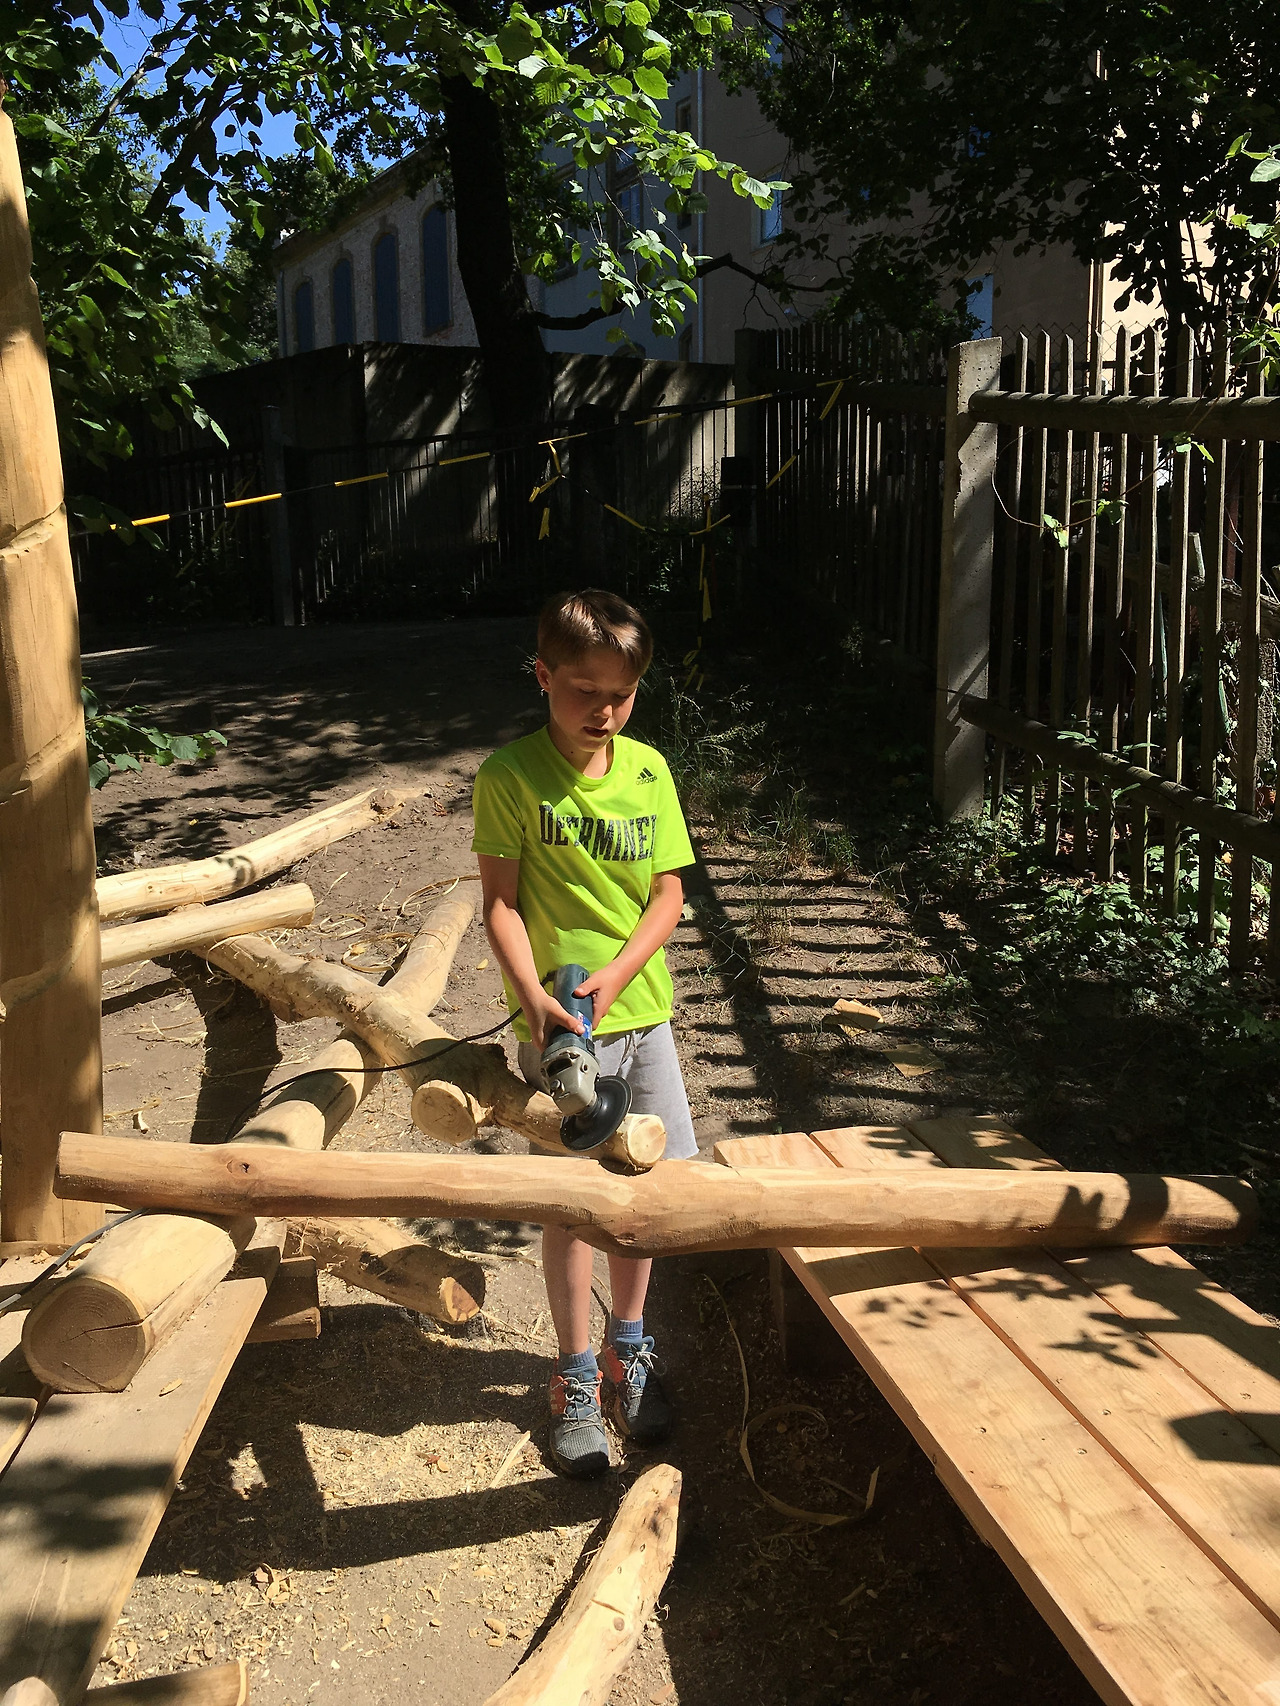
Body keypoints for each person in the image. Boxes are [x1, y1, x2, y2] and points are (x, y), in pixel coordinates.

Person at [470, 588, 698, 1477]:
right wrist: (535, 999)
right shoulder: (511, 776)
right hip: (563, 1028)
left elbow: (668, 893)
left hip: (643, 1017)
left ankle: (625, 1350)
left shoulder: (648, 771)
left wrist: (621, 974)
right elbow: (499, 903)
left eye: (621, 694)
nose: (603, 710)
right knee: (571, 1207)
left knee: (645, 1196)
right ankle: (571, 1374)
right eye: (583, 690)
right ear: (543, 676)